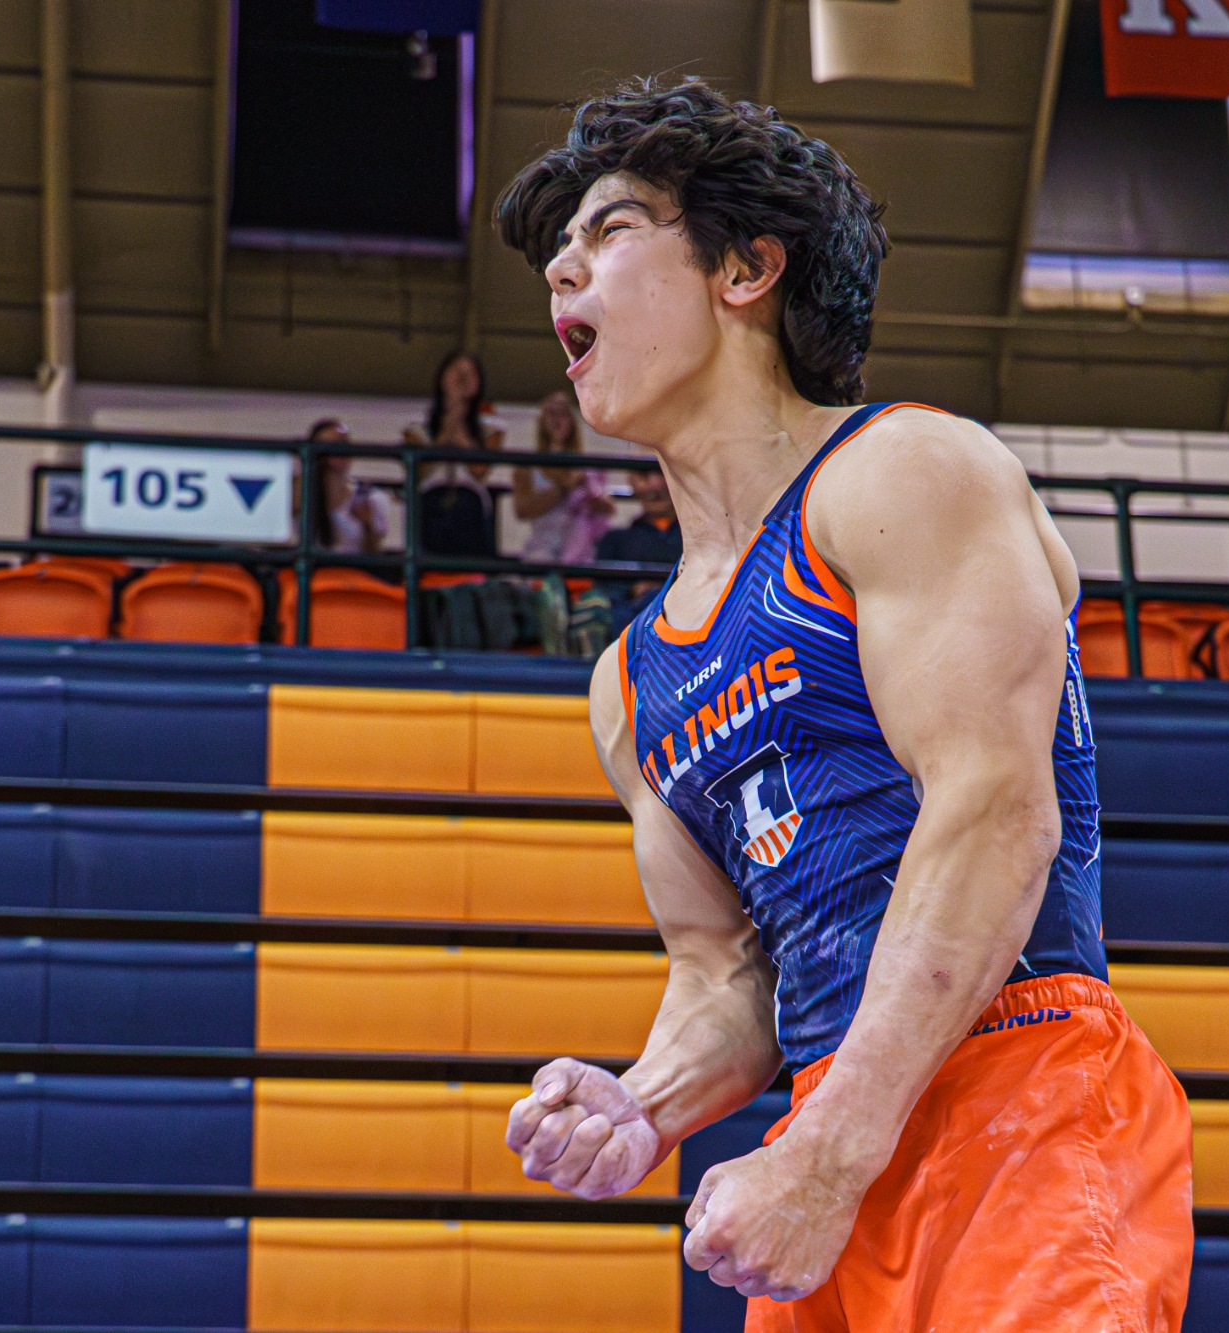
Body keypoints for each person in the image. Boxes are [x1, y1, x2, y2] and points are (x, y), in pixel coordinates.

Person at [494, 78, 1191, 1333]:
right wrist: (641, 1105)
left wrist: (824, 1154)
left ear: (745, 270)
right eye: (558, 254)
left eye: (607, 231)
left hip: (1015, 1081)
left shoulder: (901, 472)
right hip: (833, 1126)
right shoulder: (629, 680)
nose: (561, 271)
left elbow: (994, 818)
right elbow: (726, 974)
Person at [417, 350, 505, 558]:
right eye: (456, 371)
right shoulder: (416, 428)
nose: (462, 378)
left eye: (469, 373)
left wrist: (459, 426)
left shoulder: (492, 430)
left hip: (471, 507)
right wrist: (447, 427)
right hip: (430, 503)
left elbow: (479, 469)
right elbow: (419, 471)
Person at [515, 391, 616, 563]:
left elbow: (609, 508)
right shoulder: (528, 467)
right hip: (543, 549)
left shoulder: (586, 467)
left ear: (572, 421)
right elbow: (522, 510)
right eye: (551, 413)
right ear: (542, 421)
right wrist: (565, 488)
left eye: (563, 413)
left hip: (581, 550)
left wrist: (592, 497)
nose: (557, 420)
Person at [595, 467, 684, 631]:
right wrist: (633, 590)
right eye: (644, 475)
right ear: (632, 481)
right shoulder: (614, 540)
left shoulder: (698, 540)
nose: (655, 486)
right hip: (631, 621)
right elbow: (605, 591)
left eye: (663, 474)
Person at [304, 418, 390, 555]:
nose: (337, 451)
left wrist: (367, 524)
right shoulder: (301, 495)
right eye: (329, 446)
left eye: (342, 444)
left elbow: (376, 552)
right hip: (314, 573)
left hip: (353, 573)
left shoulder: (369, 497)